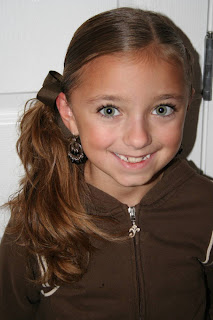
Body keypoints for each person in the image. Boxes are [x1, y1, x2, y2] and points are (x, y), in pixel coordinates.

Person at [0, 7, 213, 320]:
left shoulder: (206, 206)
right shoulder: (37, 216)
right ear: (69, 112)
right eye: (110, 110)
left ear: (187, 104)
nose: (139, 138)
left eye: (163, 109)